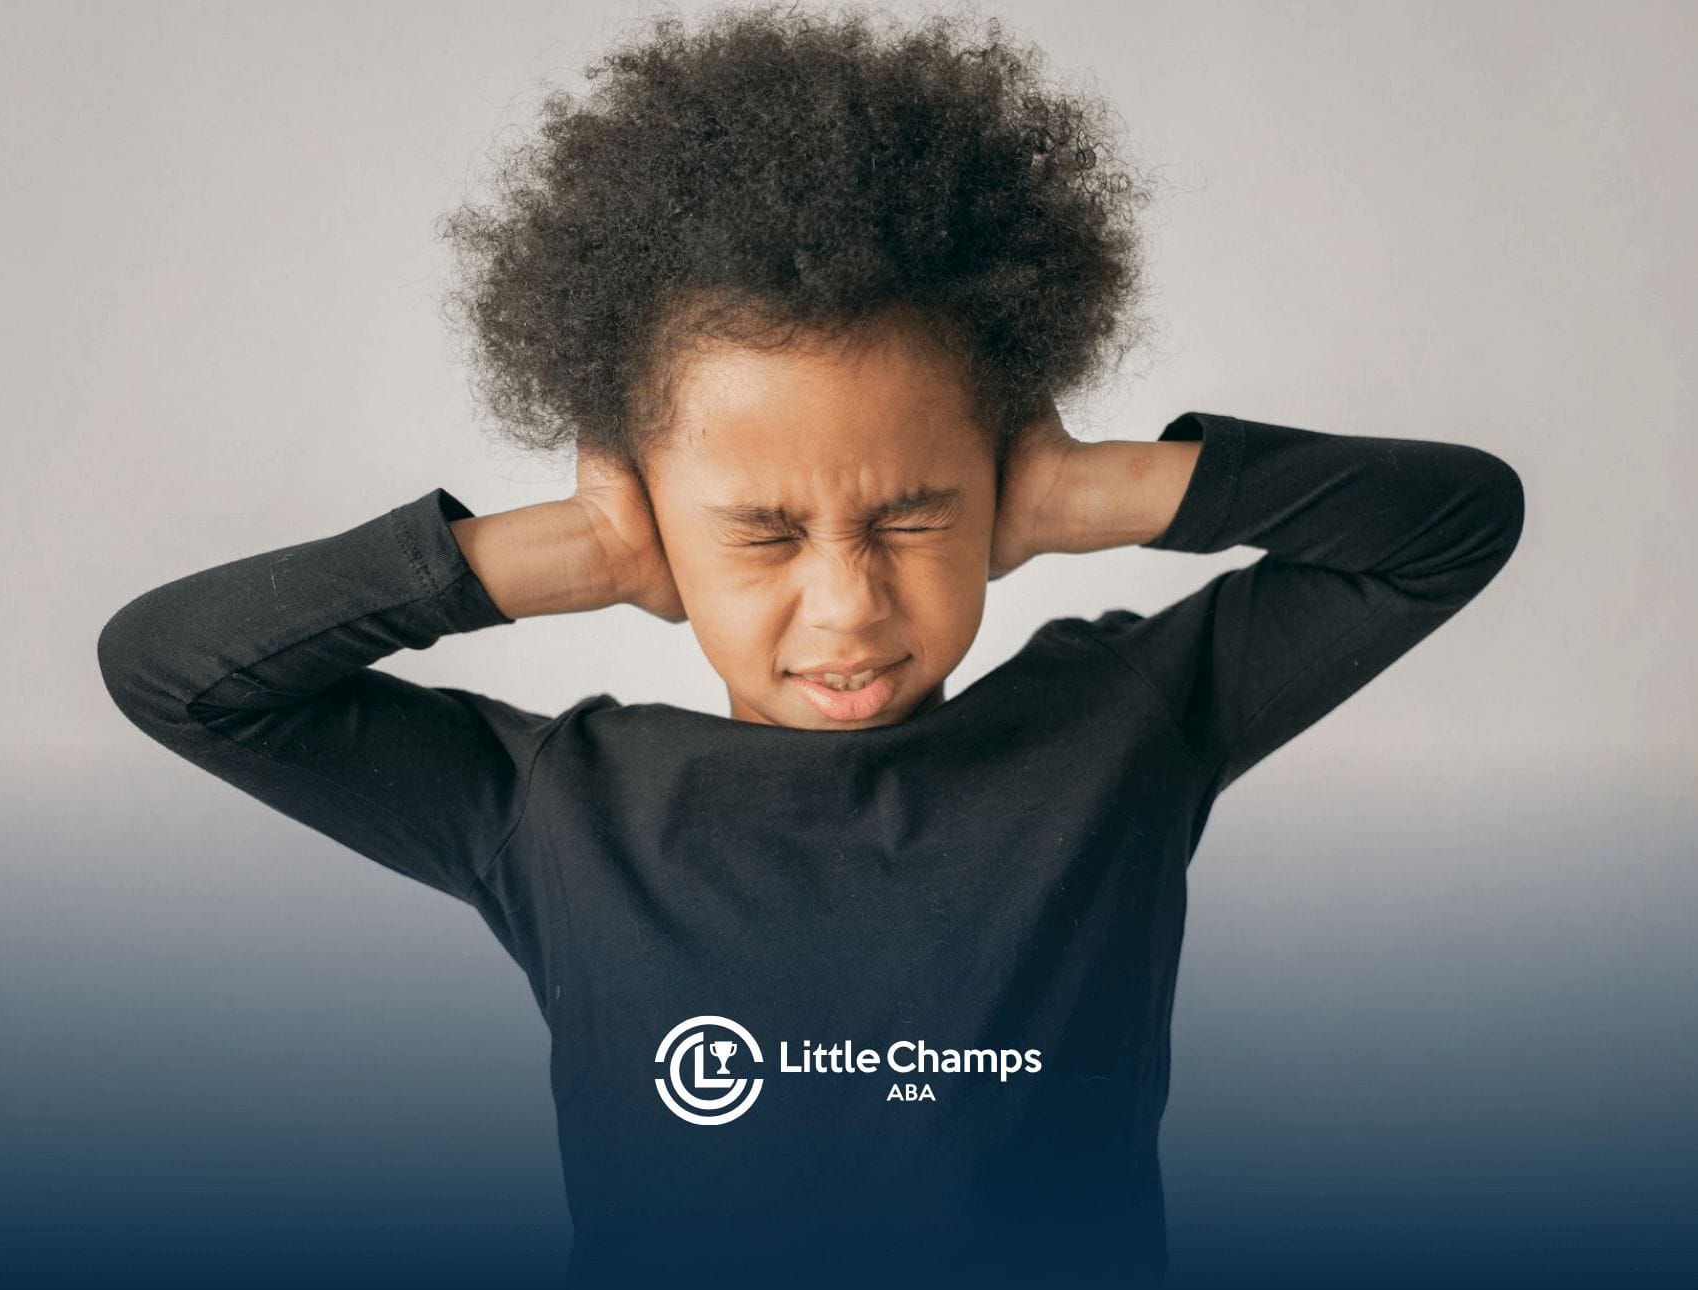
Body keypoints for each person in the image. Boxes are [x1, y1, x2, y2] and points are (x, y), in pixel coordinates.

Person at [95, 6, 1524, 1287]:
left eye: (911, 517)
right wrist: (559, 554)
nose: (845, 605)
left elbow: (1453, 524)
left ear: (1002, 480)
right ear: (647, 508)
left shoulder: (1127, 726)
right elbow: (176, 674)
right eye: (765, 535)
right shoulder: (557, 811)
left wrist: (1104, 490)